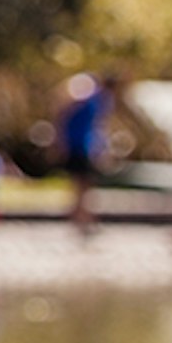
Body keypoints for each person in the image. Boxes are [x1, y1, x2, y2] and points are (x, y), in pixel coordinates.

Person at [58, 71, 114, 232]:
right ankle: (81, 219)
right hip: (81, 147)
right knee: (82, 186)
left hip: (83, 147)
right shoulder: (93, 100)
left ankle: (82, 218)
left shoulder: (92, 101)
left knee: (83, 186)